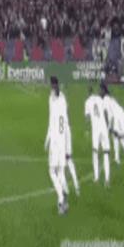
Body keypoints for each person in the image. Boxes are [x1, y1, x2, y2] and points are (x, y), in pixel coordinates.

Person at [45, 76, 69, 215]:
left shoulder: (52, 99)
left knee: (52, 172)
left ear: (52, 85)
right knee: (60, 171)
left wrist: (47, 139)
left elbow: (51, 121)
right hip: (63, 139)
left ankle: (61, 199)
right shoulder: (63, 99)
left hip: (55, 141)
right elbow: (65, 121)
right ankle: (64, 196)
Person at [101, 83, 124, 170]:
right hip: (121, 115)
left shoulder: (105, 100)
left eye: (101, 90)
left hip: (118, 118)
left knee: (120, 138)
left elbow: (109, 115)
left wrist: (109, 127)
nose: (100, 92)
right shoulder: (110, 98)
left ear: (103, 90)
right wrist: (110, 127)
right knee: (117, 137)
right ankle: (118, 159)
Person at [84, 86, 111, 186]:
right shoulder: (99, 99)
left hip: (96, 130)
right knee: (106, 153)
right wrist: (107, 126)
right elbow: (105, 112)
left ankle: (96, 178)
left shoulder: (87, 102)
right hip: (103, 128)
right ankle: (107, 179)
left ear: (88, 92)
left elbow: (87, 117)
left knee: (95, 153)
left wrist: (87, 130)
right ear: (93, 92)